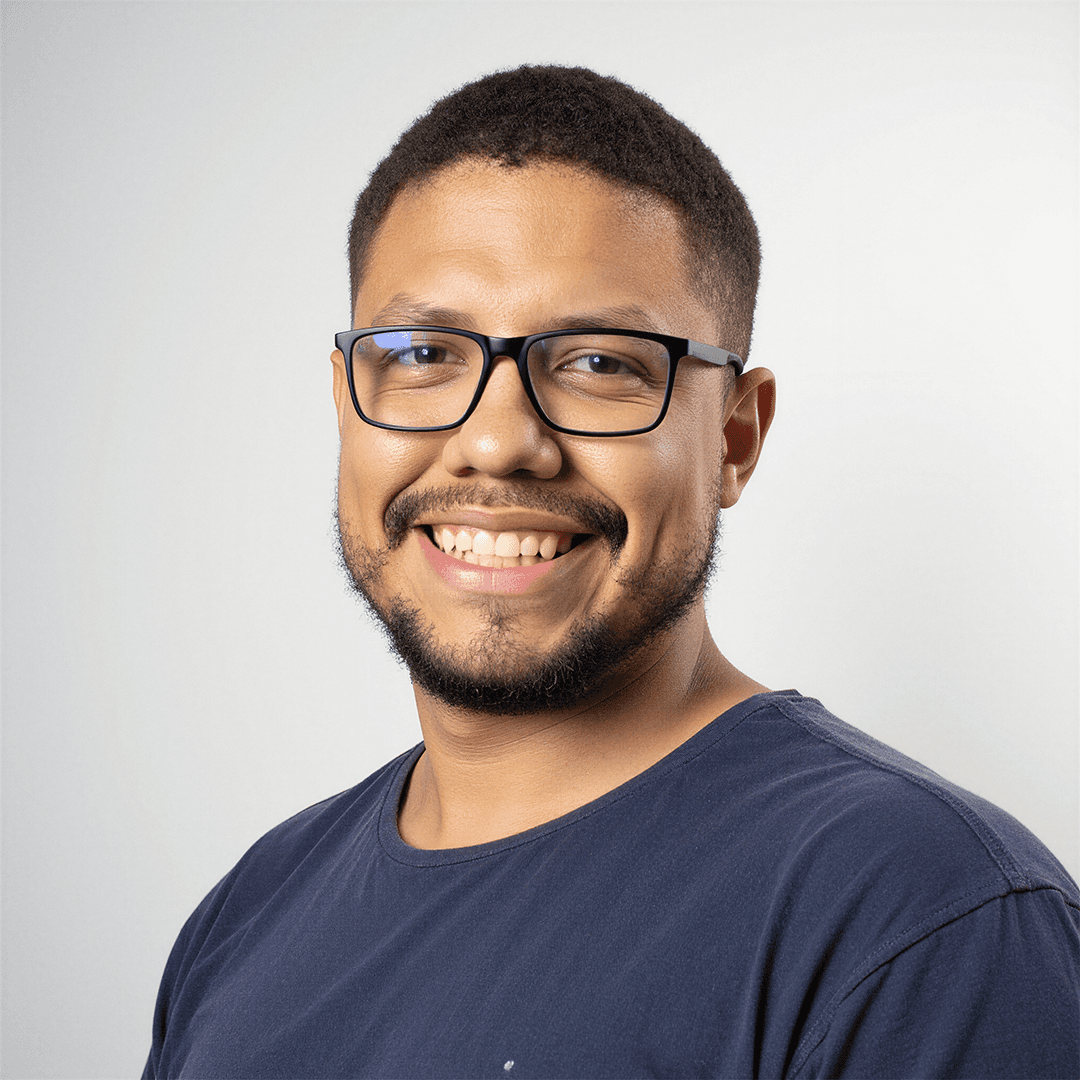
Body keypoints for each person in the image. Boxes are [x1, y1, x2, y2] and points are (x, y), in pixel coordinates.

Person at [143, 65, 1079, 1079]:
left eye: (599, 362)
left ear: (734, 437)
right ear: (345, 398)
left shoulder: (922, 921)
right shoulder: (252, 910)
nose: (497, 443)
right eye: (421, 354)